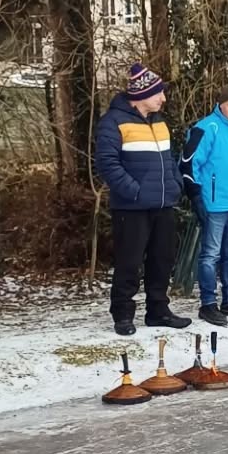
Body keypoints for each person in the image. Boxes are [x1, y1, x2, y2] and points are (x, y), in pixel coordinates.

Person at [93, 62, 190, 335]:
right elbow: (107, 164)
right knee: (129, 261)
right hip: (132, 207)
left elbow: (170, 159)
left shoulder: (159, 122)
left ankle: (158, 310)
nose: (163, 98)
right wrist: (134, 191)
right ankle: (123, 313)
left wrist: (175, 185)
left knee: (162, 259)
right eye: (158, 93)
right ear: (142, 95)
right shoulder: (113, 122)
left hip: (163, 204)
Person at [182, 85, 228, 325]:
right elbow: (188, 163)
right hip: (214, 202)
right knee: (210, 255)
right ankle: (208, 303)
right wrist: (195, 194)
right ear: (220, 105)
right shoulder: (206, 128)